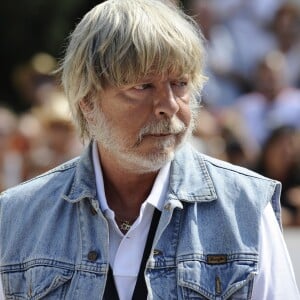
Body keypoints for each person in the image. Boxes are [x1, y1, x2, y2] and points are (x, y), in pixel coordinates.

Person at [0, 0, 299, 299]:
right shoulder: (18, 217)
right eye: (143, 86)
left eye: (180, 83)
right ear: (87, 101)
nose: (169, 106)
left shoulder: (245, 208)